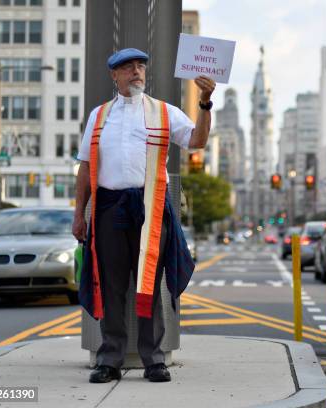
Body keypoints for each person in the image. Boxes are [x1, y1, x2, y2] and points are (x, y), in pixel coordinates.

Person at [72, 48, 215, 383]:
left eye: (140, 67)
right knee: (111, 285)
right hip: (108, 206)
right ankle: (109, 359)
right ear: (114, 76)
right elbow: (86, 167)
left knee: (149, 283)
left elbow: (198, 141)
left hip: (151, 205)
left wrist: (206, 103)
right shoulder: (99, 116)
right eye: (128, 68)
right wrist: (79, 214)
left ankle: (154, 360)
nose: (136, 72)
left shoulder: (164, 112)